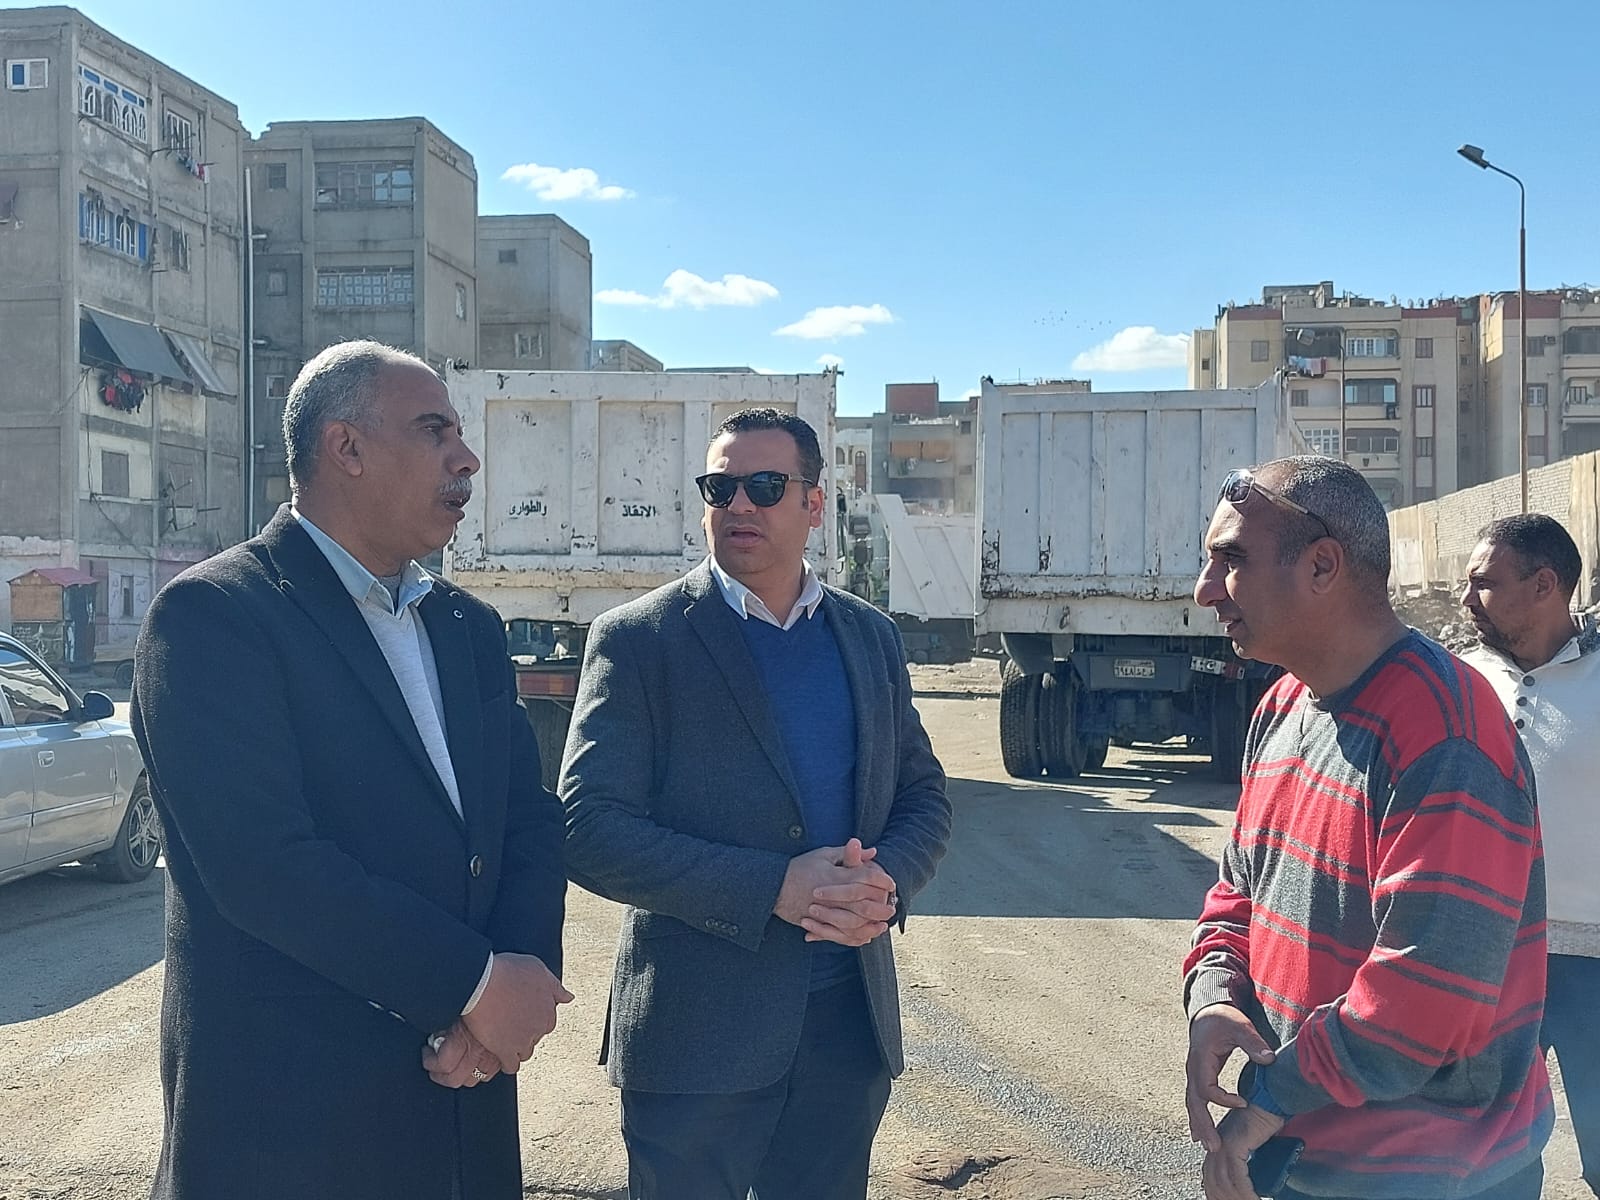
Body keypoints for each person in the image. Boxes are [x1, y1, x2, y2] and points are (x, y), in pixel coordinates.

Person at [131, 341, 570, 1200]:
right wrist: (472, 984)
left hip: (463, 1102)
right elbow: (263, 866)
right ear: (347, 448)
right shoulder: (216, 617)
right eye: (434, 430)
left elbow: (526, 818)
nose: (467, 459)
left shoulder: (468, 628)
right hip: (294, 1129)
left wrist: (510, 987)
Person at [559, 408, 952, 1200]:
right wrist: (773, 887)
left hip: (845, 1038)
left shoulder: (869, 637)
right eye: (721, 487)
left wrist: (888, 882)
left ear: (814, 504)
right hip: (695, 1045)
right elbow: (587, 828)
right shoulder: (639, 639)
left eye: (766, 486)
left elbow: (922, 795)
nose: (739, 504)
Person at [1183, 456, 1552, 1200]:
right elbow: (1239, 891)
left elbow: (1423, 997)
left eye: (1232, 559)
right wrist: (1215, 994)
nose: (1205, 589)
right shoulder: (1283, 705)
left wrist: (1272, 1097)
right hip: (1304, 1152)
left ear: (1323, 566)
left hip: (1436, 1175)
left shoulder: (1446, 732)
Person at [1459, 514, 1600, 1197]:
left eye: (1483, 583)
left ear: (1545, 585)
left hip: (1593, 965)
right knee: (1491, 1160)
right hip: (1489, 960)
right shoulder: (1460, 679)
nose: (1466, 599)